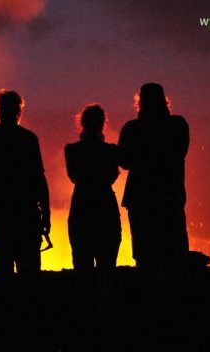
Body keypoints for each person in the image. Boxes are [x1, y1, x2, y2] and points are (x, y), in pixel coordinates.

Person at [0, 89, 51, 276]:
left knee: (2, 274)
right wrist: (46, 212)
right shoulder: (28, 139)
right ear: (19, 111)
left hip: (0, 221)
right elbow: (39, 179)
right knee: (29, 275)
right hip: (27, 219)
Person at [118, 83, 189, 271]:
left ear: (140, 102)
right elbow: (178, 153)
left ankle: (149, 297)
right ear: (164, 100)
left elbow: (124, 161)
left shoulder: (132, 129)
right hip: (170, 198)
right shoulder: (178, 125)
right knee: (174, 255)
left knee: (145, 256)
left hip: (141, 201)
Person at [65, 104, 121, 270]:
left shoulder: (71, 150)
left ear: (82, 124)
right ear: (102, 124)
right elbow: (112, 177)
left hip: (81, 210)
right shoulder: (111, 151)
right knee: (107, 268)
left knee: (82, 269)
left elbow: (72, 177)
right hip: (106, 210)